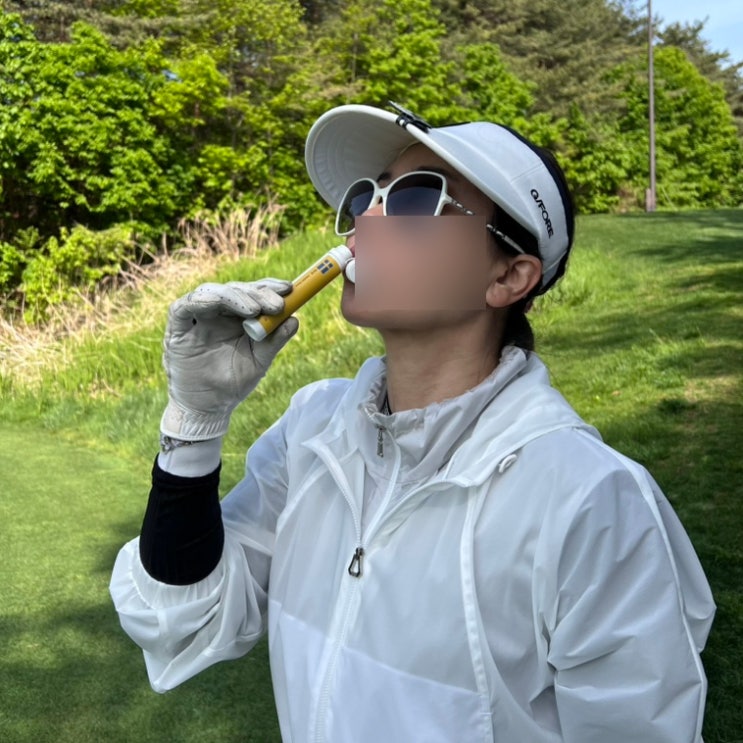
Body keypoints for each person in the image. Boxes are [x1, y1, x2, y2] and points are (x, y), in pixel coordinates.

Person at [110, 102, 715, 742]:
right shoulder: (312, 430)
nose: (365, 220)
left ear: (509, 276)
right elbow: (184, 616)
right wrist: (196, 422)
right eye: (365, 196)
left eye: (418, 197)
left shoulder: (591, 498)